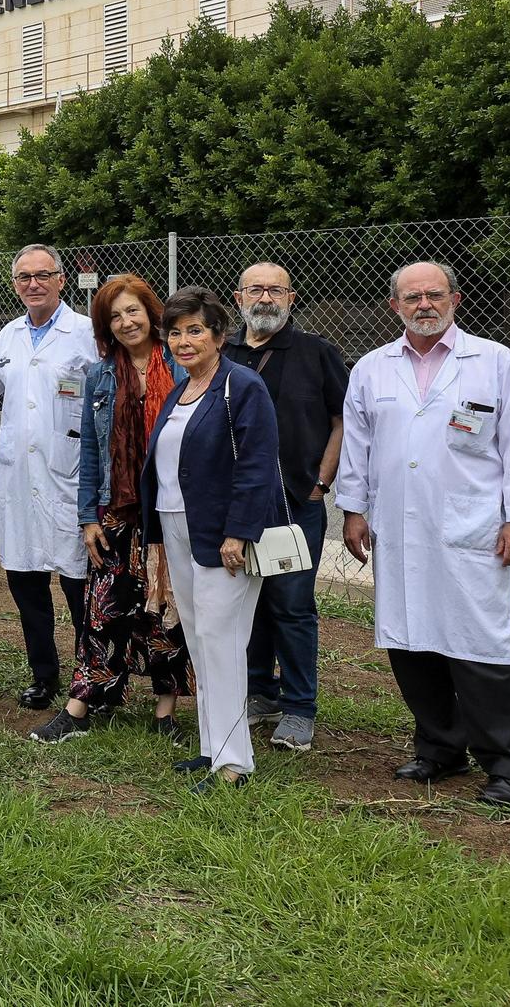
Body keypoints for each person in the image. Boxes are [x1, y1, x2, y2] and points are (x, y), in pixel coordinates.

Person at [336, 262, 510, 808]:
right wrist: (353, 511)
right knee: (410, 640)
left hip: (471, 527)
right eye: (412, 297)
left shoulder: (496, 363)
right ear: (395, 306)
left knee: (480, 644)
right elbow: (356, 448)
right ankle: (440, 746)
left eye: (434, 295)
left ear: (455, 299)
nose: (424, 304)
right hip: (399, 528)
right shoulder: (371, 369)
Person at [32, 274, 191, 744]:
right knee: (102, 609)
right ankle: (81, 705)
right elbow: (92, 454)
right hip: (116, 511)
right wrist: (88, 518)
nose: (126, 322)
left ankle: (166, 712)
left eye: (133, 311)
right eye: (115, 316)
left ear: (151, 313)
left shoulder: (182, 365)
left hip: (170, 509)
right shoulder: (101, 375)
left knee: (166, 611)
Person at [140, 287, 284, 791]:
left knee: (222, 643)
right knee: (200, 640)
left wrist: (238, 533)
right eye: (175, 332)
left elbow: (257, 464)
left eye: (195, 330)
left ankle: (232, 765)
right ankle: (212, 747)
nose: (184, 340)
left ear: (219, 336)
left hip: (223, 536)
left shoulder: (240, 386)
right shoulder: (181, 391)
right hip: (179, 527)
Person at [225, 262, 348, 753]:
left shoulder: (316, 353)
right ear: (239, 298)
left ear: (291, 298)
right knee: (247, 603)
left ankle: (300, 708)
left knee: (292, 605)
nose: (265, 298)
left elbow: (344, 420)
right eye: (256, 289)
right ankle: (260, 692)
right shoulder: (223, 351)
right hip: (235, 505)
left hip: (296, 502)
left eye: (276, 289)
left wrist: (321, 480)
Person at [0, 245, 97, 710]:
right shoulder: (7, 338)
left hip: (69, 477)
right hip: (17, 479)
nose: (33, 284)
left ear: (61, 280)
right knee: (27, 584)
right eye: (24, 277)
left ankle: (92, 678)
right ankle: (43, 674)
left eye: (43, 275)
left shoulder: (87, 334)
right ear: (15, 284)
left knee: (79, 587)